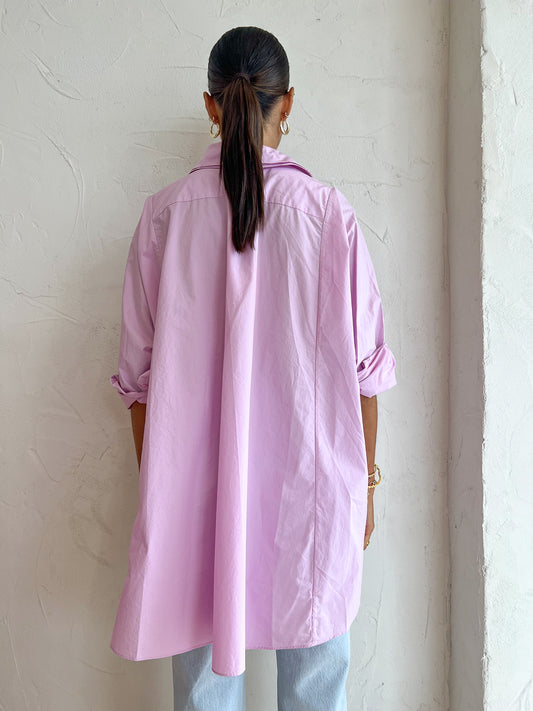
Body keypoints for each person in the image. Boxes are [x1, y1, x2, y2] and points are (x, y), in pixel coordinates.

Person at [109, 26, 396, 711]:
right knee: (317, 680)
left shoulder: (162, 218)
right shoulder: (328, 215)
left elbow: (138, 384)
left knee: (204, 689)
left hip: (192, 495)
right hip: (314, 487)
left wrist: (161, 488)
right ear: (287, 102)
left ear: (211, 105)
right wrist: (366, 483)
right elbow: (367, 373)